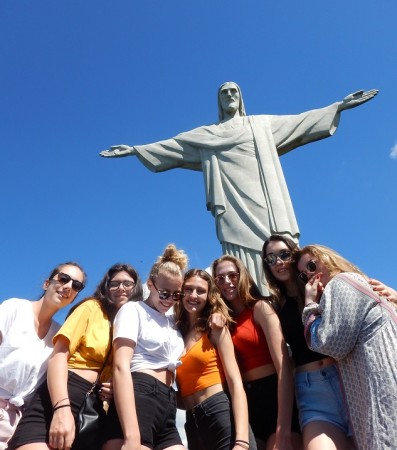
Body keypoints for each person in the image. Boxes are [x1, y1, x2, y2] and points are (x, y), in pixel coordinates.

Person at [100, 82, 378, 292]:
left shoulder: (260, 125)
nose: (230, 96)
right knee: (239, 255)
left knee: (280, 249)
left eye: (234, 92)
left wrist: (338, 106)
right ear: (219, 102)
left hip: (266, 198)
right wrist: (135, 150)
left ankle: (292, 296)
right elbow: (173, 145)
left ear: (241, 98)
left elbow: (300, 121)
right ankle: (252, 296)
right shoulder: (207, 134)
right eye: (225, 93)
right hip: (232, 203)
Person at [9, 263, 143, 450]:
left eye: (127, 284)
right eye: (114, 283)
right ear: (106, 287)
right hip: (63, 393)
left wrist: (113, 385)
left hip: (93, 407)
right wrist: (61, 409)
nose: (121, 288)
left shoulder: (129, 326)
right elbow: (59, 355)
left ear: (136, 288)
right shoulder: (91, 307)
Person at [296, 244, 397, 450]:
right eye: (303, 276)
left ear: (327, 259)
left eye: (312, 266)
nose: (309, 276)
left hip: (382, 384)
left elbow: (329, 341)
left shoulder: (340, 283)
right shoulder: (359, 283)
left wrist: (309, 306)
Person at [262, 236, 352, 450]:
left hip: (346, 379)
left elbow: (353, 284)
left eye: (283, 254)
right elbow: (283, 363)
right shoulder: (276, 306)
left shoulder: (321, 286)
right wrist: (282, 430)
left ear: (293, 254)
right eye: (271, 259)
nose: (279, 262)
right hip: (311, 392)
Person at [102, 244, 187, 450]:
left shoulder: (172, 321)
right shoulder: (133, 310)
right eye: (165, 293)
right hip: (140, 395)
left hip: (168, 401)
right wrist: (132, 437)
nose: (169, 300)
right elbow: (121, 366)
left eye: (176, 295)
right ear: (150, 284)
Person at [212, 255, 301, 450]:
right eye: (220, 278)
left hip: (275, 395)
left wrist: (283, 428)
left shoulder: (260, 308)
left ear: (242, 276)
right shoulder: (224, 320)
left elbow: (283, 367)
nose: (227, 282)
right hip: (245, 402)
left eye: (232, 275)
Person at [0, 262, 86, 449]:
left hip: (17, 426)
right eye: (63, 278)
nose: (68, 286)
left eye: (76, 285)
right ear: (47, 284)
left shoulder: (60, 336)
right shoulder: (14, 308)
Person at [175, 268, 255, 450]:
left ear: (209, 295)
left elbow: (235, 383)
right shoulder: (176, 334)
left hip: (219, 412)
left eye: (200, 291)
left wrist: (242, 442)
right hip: (192, 422)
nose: (193, 295)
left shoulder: (215, 327)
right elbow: (183, 394)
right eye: (188, 289)